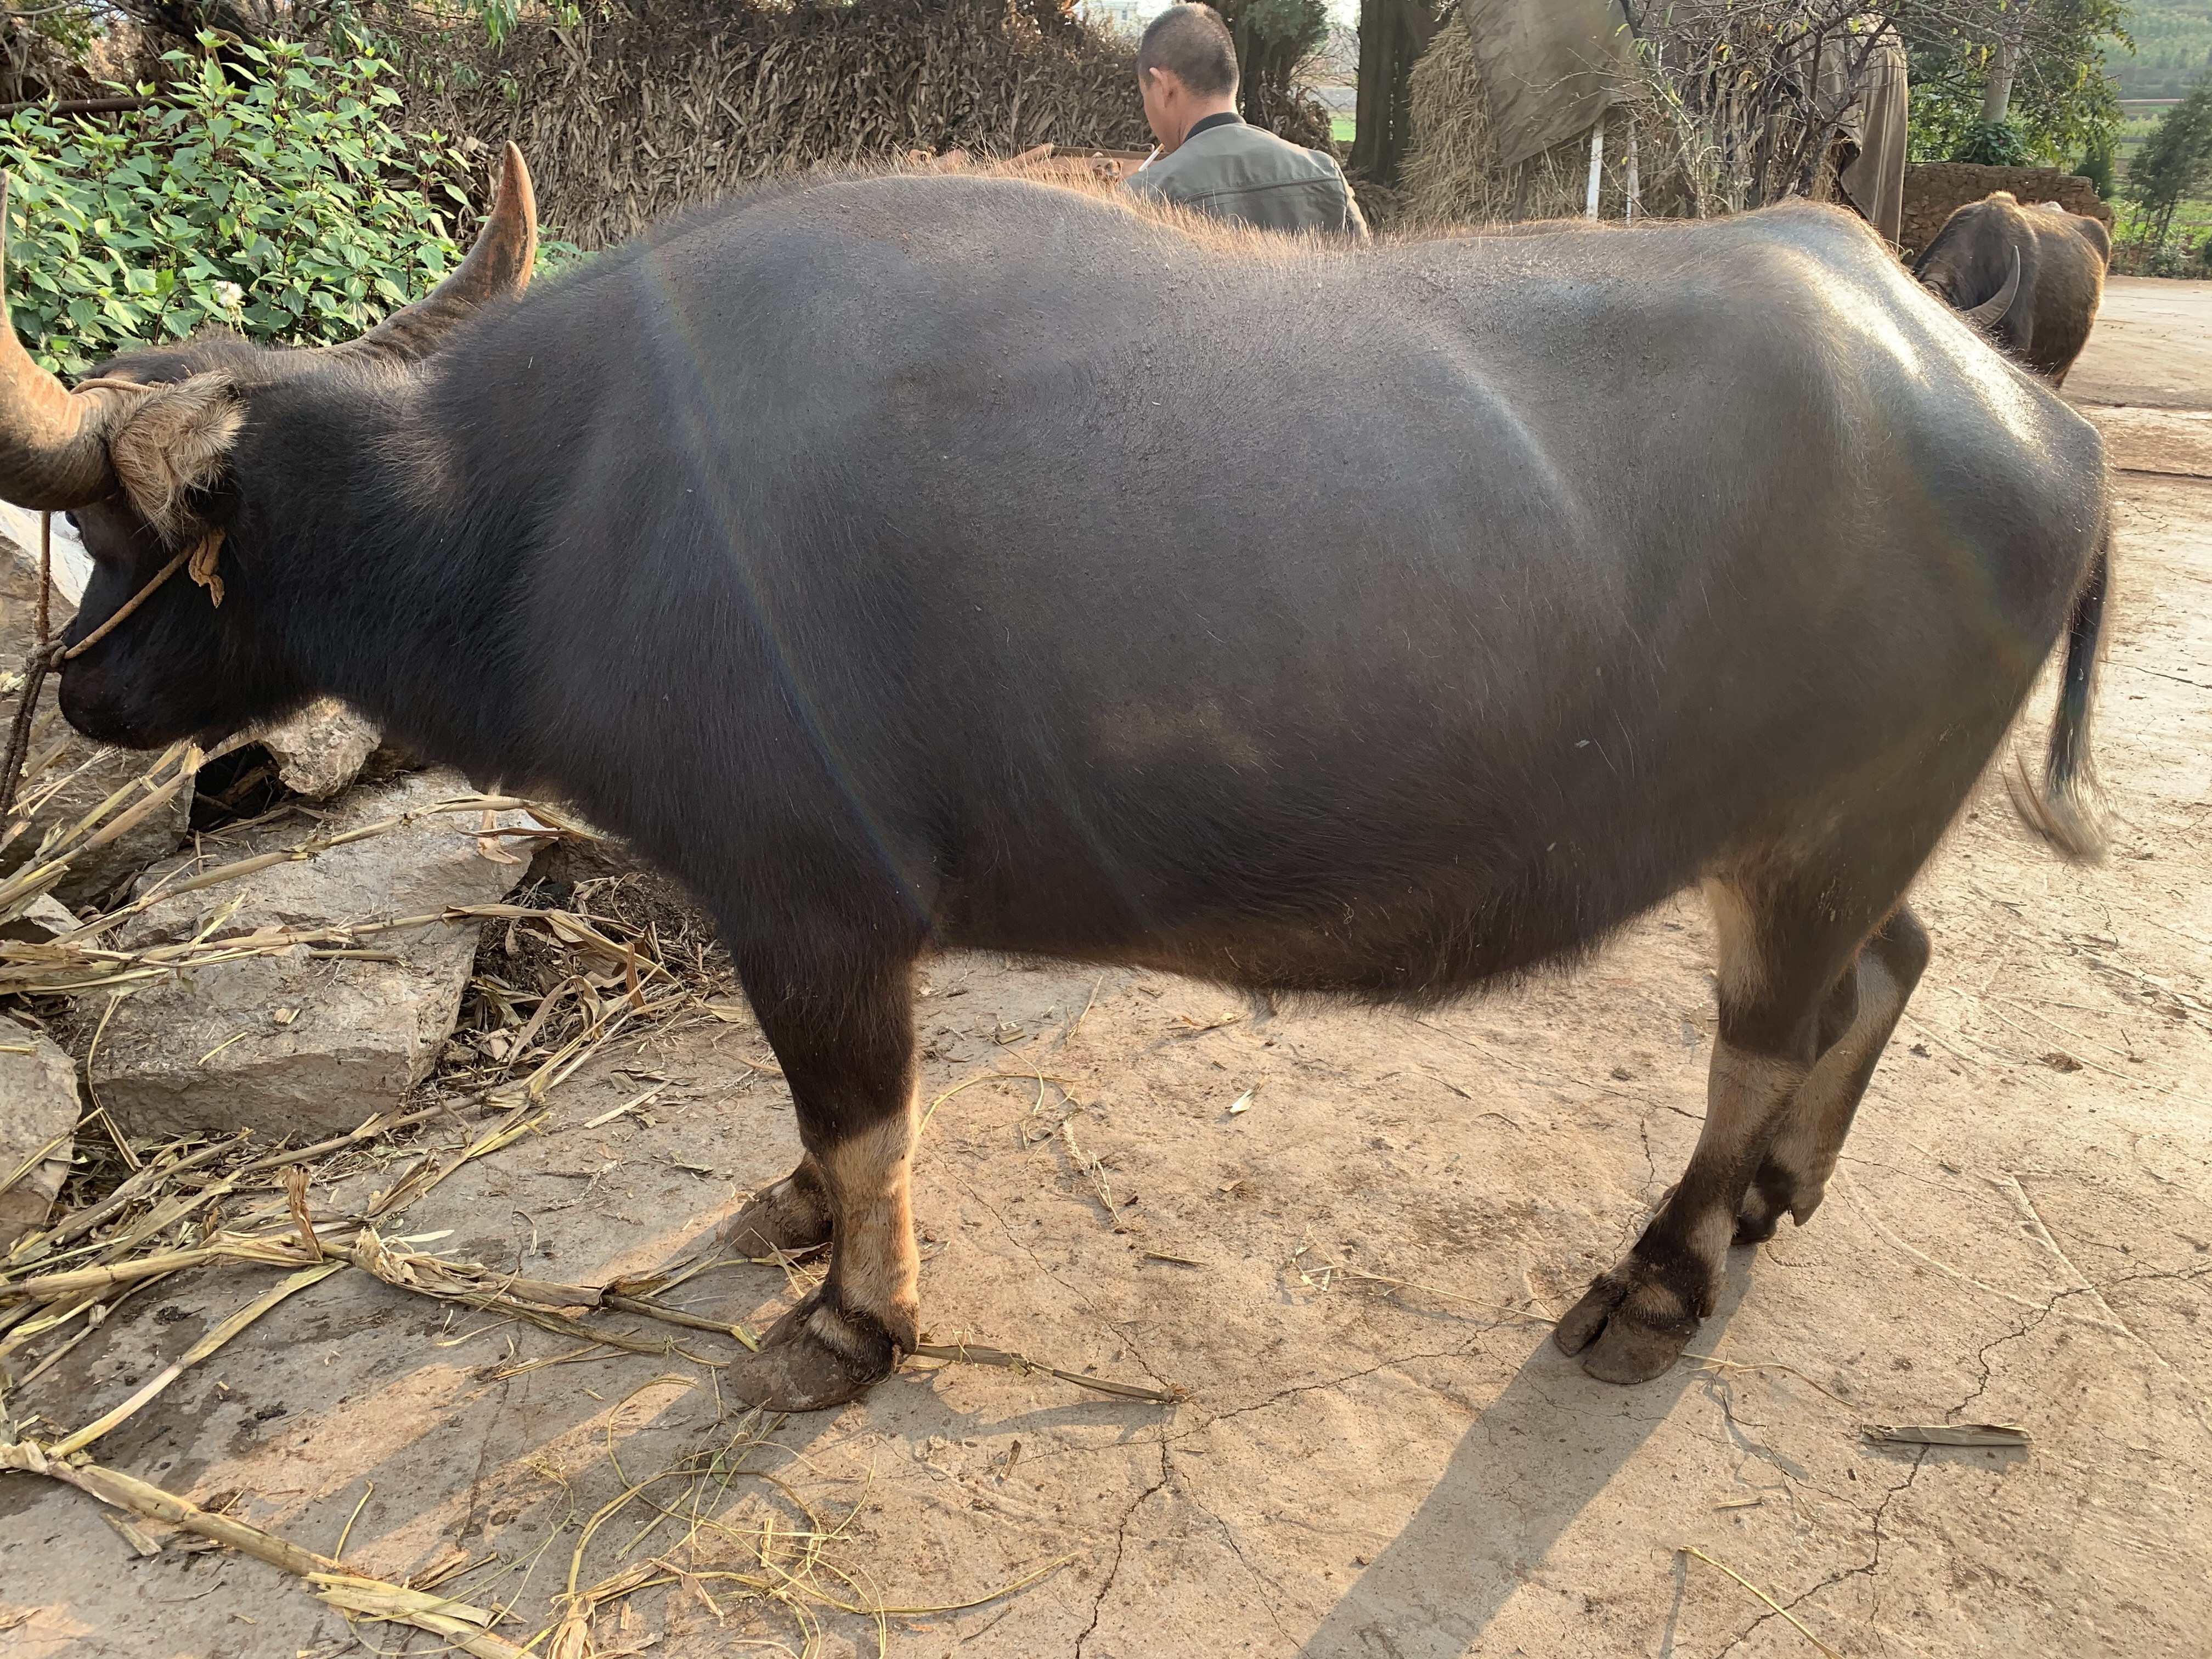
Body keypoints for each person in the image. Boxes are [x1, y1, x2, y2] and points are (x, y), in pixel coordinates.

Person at [1120, 4, 1367, 239]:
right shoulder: (1325, 175)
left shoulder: (1144, 196)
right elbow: (1365, 277)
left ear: (1164, 87)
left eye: (1145, 94)